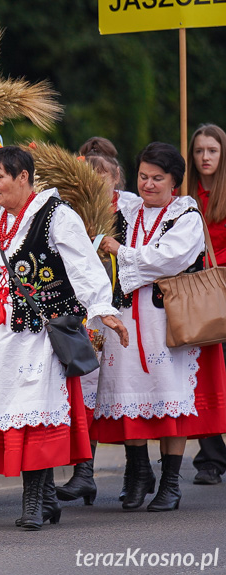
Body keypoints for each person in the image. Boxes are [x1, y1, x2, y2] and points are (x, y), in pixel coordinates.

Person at [0, 146, 128, 530]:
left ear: (23, 177)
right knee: (14, 414)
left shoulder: (57, 216)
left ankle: (33, 503)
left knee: (34, 414)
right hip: (0, 335)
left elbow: (83, 265)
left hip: (40, 332)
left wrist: (102, 309)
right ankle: (44, 500)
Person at [93, 141, 226, 512]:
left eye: (157, 178)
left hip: (168, 321)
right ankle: (137, 476)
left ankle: (170, 483)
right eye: (143, 177)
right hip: (125, 319)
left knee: (170, 400)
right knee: (127, 394)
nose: (148, 184)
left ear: (175, 184)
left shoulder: (187, 217)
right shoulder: (129, 209)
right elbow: (93, 190)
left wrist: (119, 250)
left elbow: (165, 259)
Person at [56, 139, 126, 505]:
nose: (98, 183)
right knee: (86, 388)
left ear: (117, 178)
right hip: (88, 313)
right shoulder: (72, 214)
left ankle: (138, 471)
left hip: (126, 312)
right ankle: (84, 471)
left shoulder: (127, 211)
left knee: (122, 393)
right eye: (90, 177)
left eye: (104, 177)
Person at [186, 124, 226, 486]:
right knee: (203, 372)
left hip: (223, 281)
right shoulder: (186, 194)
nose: (205, 157)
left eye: (211, 150)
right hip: (198, 290)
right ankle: (210, 457)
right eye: (199, 151)